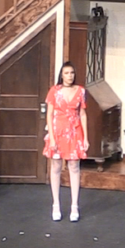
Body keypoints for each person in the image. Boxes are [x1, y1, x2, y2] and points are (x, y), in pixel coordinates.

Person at [42, 61, 89, 222]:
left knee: (74, 166)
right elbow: (49, 115)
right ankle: (56, 204)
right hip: (58, 131)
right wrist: (52, 137)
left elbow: (82, 114)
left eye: (72, 73)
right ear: (61, 75)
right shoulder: (54, 91)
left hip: (74, 131)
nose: (70, 76)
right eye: (67, 73)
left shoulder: (80, 91)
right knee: (56, 166)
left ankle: (74, 205)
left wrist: (85, 137)